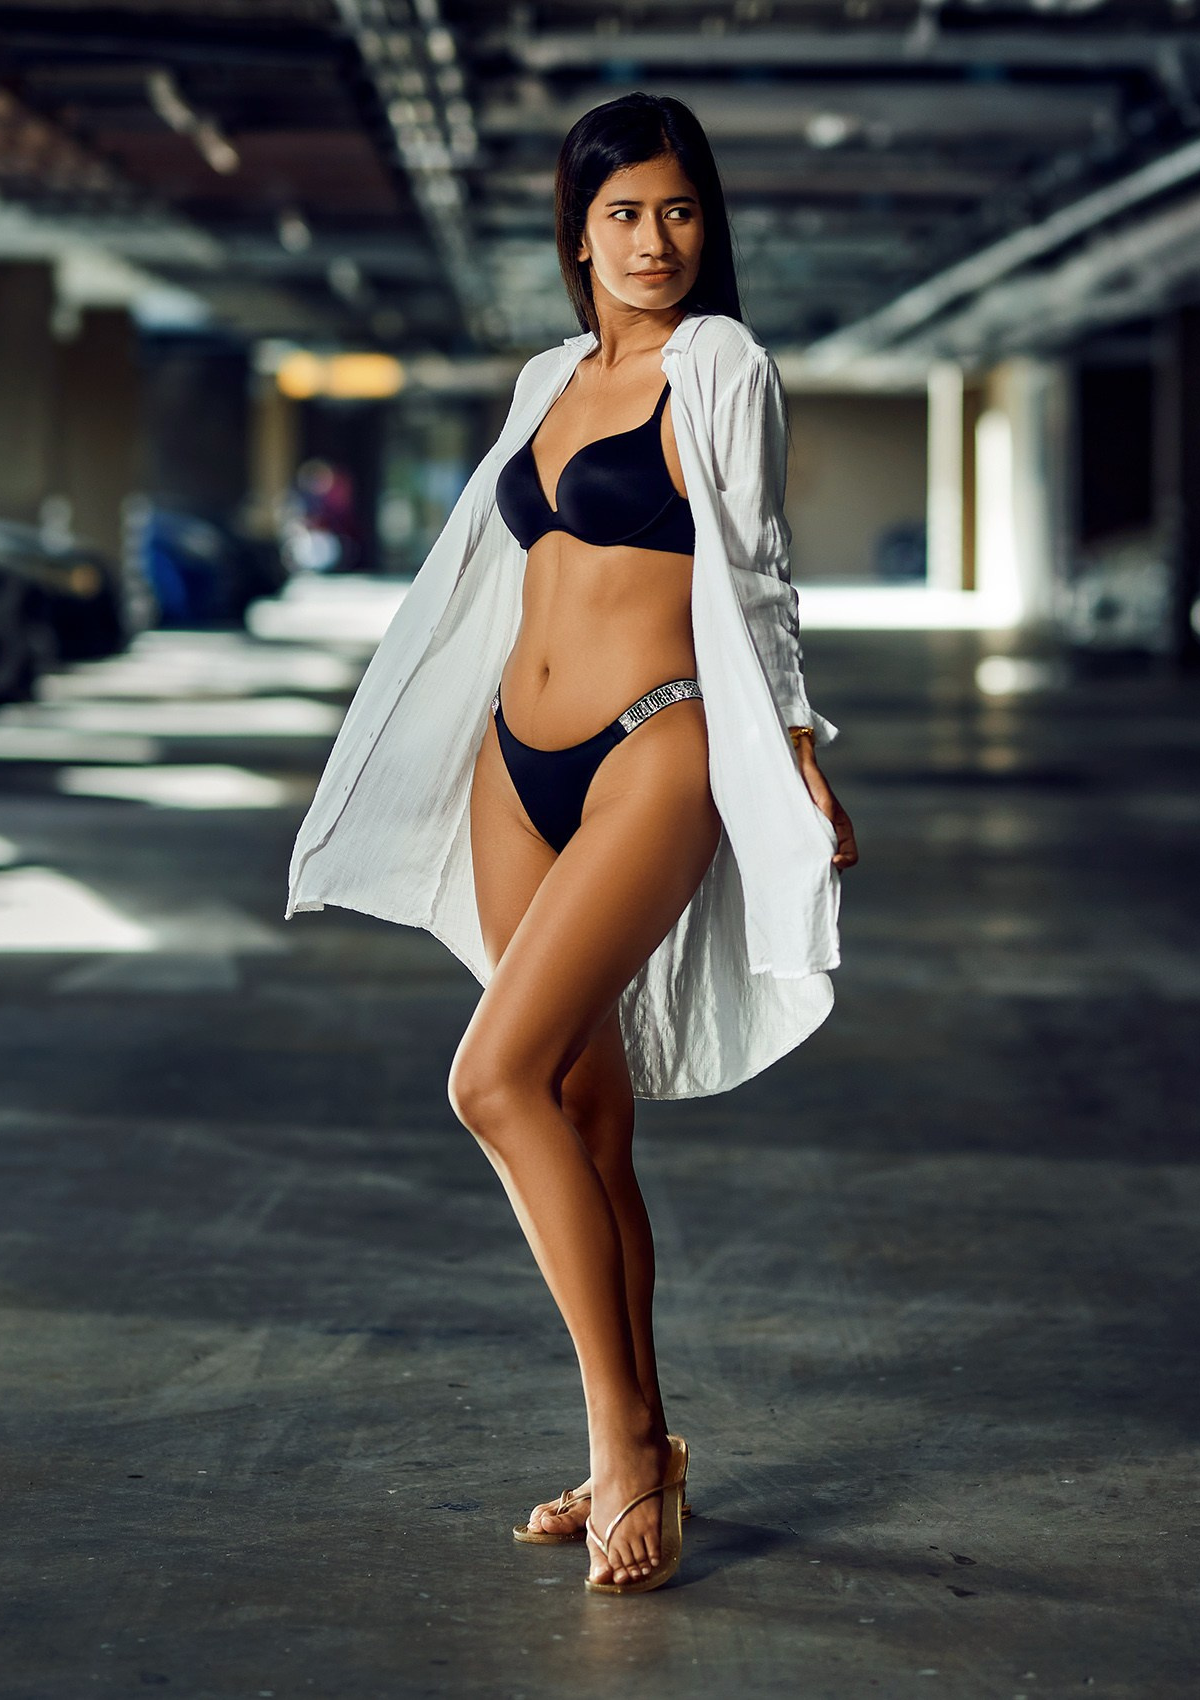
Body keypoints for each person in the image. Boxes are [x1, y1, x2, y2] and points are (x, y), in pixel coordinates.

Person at [285, 92, 856, 1596]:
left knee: (491, 1078)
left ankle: (619, 1452)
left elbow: (763, 569)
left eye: (678, 212)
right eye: (623, 215)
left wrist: (795, 751)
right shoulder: (548, 375)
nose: (654, 242)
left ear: (705, 224)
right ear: (578, 230)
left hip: (647, 751)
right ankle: (649, 1444)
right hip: (511, 764)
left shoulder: (720, 365)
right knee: (584, 1117)